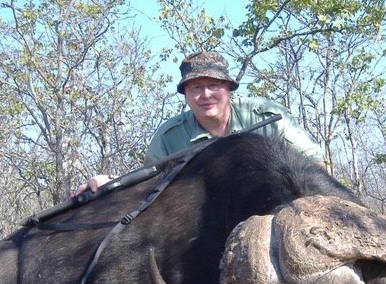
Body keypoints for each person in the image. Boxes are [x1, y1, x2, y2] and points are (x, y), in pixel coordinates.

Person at [74, 51, 326, 196]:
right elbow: (147, 188)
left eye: (213, 85)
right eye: (196, 87)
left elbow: (316, 165)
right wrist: (111, 182)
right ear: (185, 94)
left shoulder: (266, 116)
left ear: (228, 89)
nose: (205, 94)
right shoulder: (169, 136)